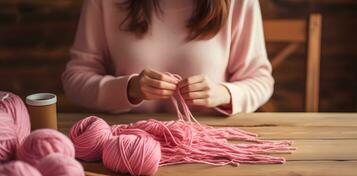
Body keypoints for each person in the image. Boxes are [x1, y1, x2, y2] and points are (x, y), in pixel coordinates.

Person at [62, 0, 273, 115]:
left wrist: (225, 93)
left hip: (212, 149)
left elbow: (261, 81)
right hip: (126, 147)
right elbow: (75, 79)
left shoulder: (240, 2)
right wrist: (128, 89)